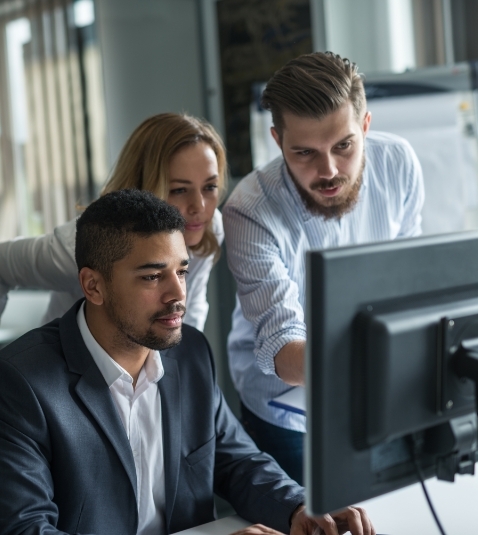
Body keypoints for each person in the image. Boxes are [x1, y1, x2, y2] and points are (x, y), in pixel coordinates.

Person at [0, 190, 375, 535]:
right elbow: (27, 528)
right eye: (152, 276)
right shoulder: (21, 383)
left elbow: (237, 460)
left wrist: (298, 506)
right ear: (93, 285)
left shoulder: (190, 351)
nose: (178, 293)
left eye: (181, 271)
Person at [223, 51, 425, 484]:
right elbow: (282, 349)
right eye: (305, 153)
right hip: (287, 407)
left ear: (365, 125)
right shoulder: (248, 211)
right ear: (278, 141)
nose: (329, 170)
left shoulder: (399, 163)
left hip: (380, 389)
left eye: (344, 146)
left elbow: (410, 282)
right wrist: (396, 354)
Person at [0, 113, 225, 331]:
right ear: (143, 185)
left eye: (210, 187)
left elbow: (191, 310)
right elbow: (3, 263)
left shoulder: (207, 226)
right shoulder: (81, 245)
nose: (200, 207)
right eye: (179, 190)